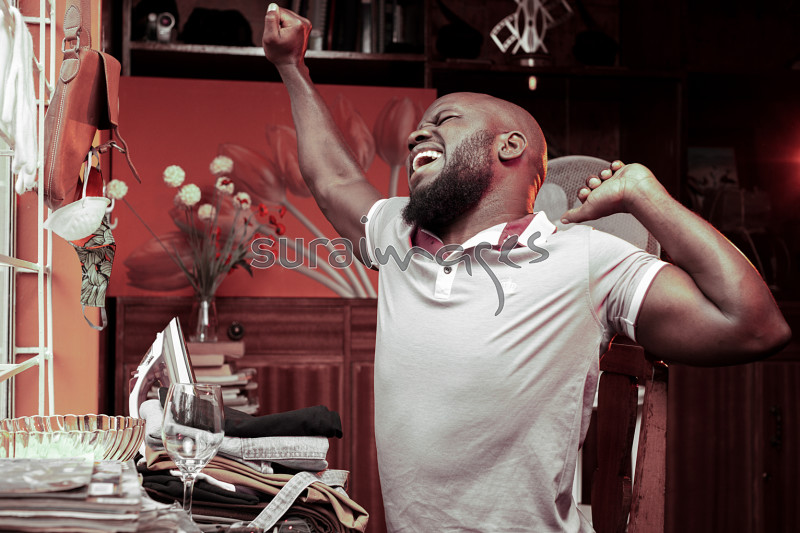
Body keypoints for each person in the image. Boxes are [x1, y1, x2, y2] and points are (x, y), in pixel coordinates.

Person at [260, 4, 792, 532]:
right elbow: (332, 179)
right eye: (420, 128)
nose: (416, 136)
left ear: (509, 145)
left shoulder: (585, 258)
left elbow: (754, 326)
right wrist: (291, 65)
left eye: (444, 120)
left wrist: (644, 194)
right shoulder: (399, 234)